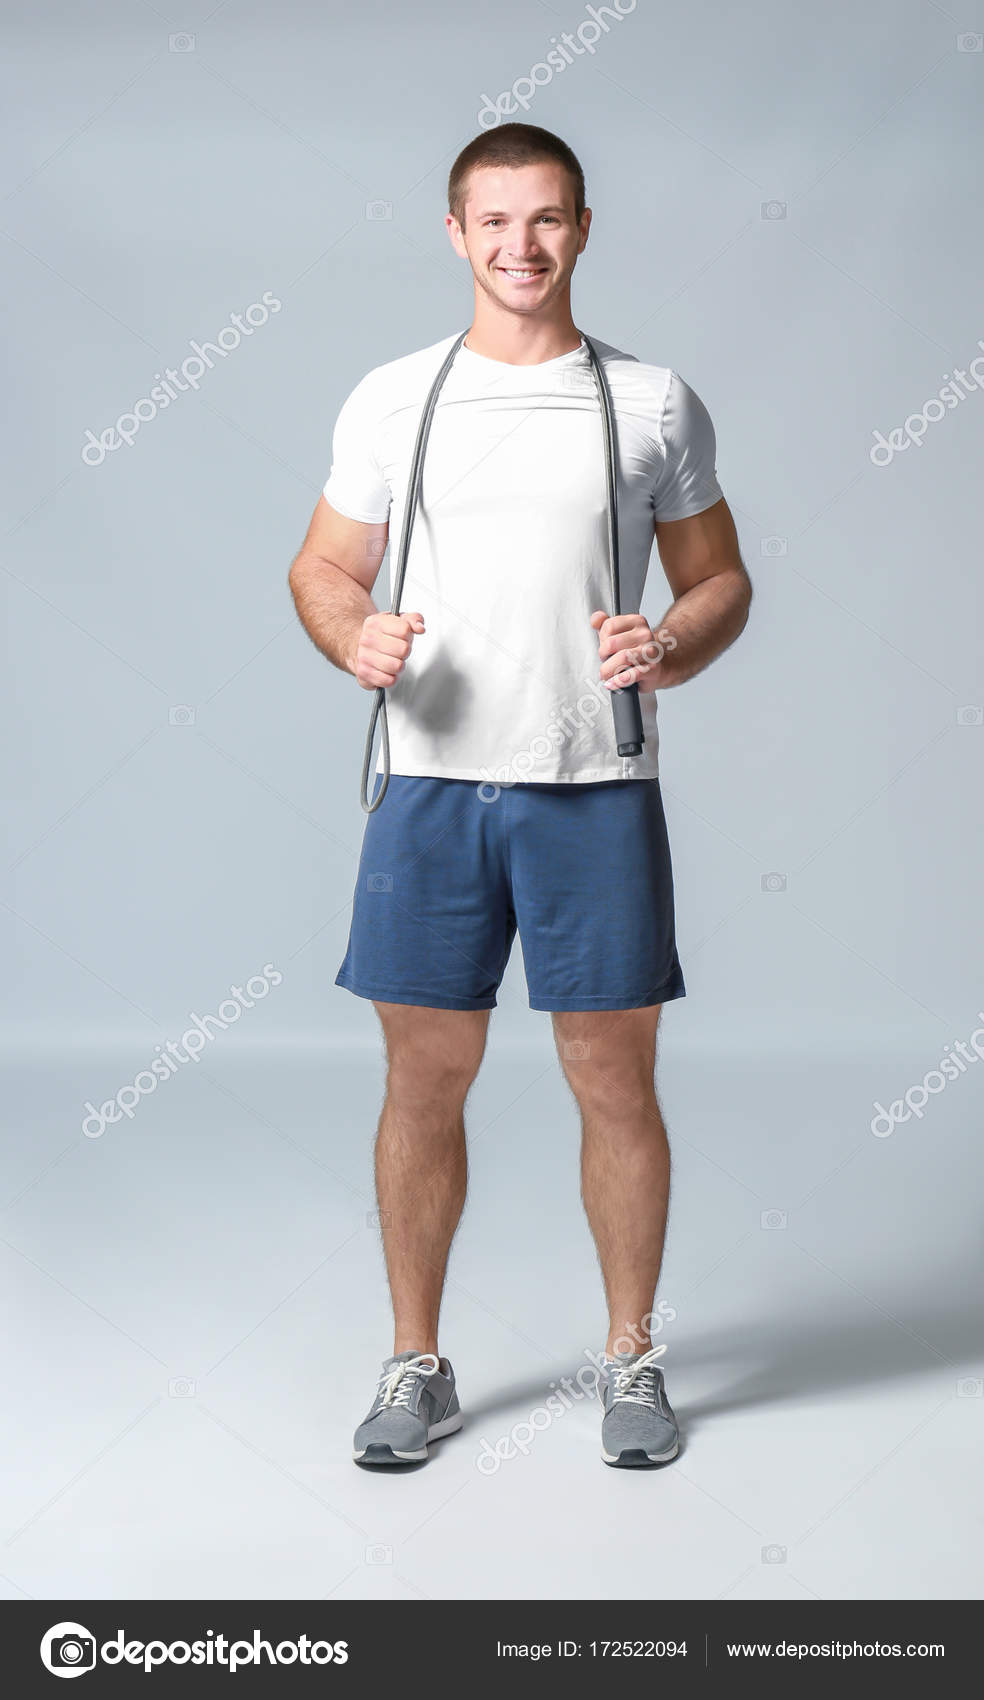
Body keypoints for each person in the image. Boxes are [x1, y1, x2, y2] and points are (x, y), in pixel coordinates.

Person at [288, 122, 751, 1469]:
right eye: (495, 223)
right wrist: (349, 634)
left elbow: (722, 581)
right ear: (455, 234)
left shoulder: (652, 400)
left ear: (583, 230)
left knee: (613, 1075)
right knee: (424, 1077)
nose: (521, 246)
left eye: (545, 220)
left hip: (592, 785)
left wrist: (673, 640)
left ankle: (630, 1361)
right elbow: (322, 569)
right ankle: (415, 1365)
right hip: (430, 786)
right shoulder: (393, 398)